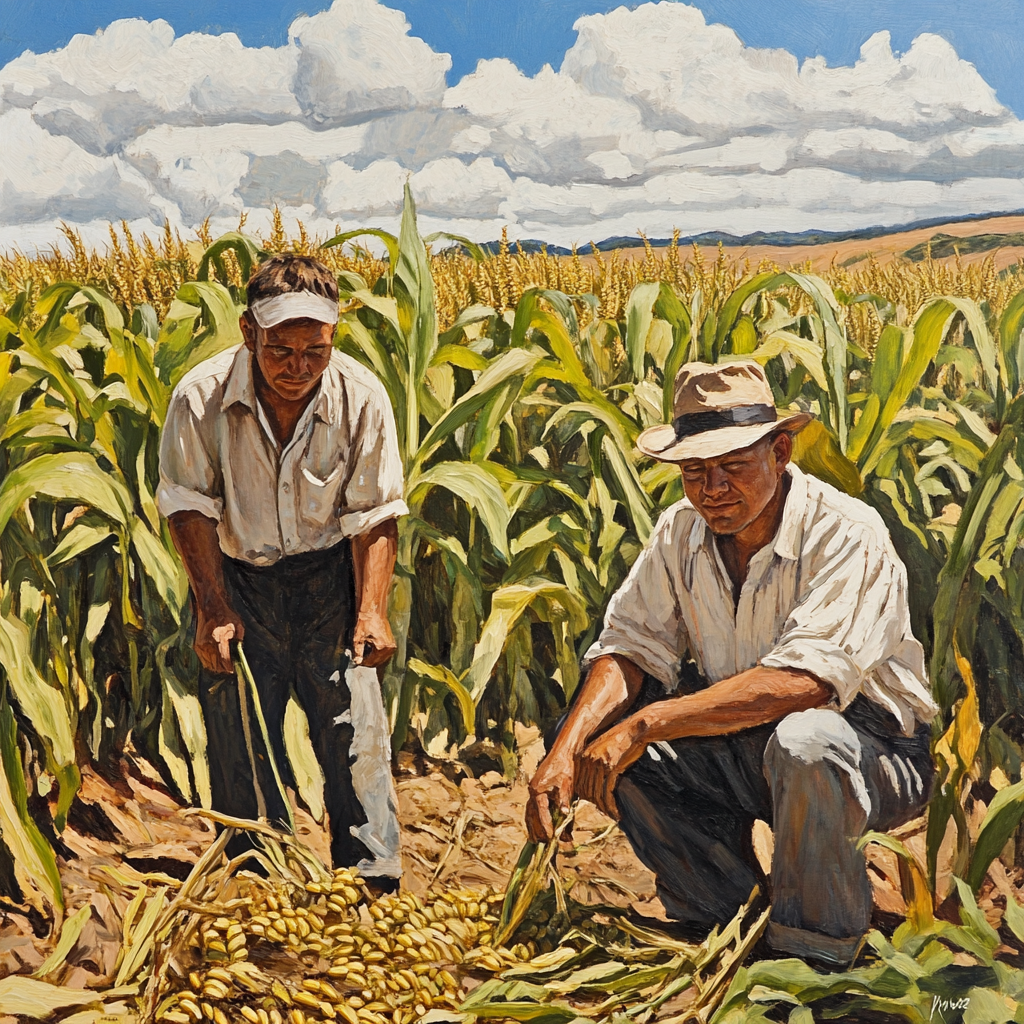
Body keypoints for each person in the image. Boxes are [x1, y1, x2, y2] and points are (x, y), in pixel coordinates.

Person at [526, 359, 937, 966]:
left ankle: (816, 952)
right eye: (695, 473)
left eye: (732, 468)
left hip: (871, 752)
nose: (712, 490)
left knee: (805, 741)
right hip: (742, 739)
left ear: (780, 451)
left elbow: (804, 682)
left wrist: (647, 723)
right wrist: (565, 749)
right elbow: (629, 647)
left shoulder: (848, 532)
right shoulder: (680, 534)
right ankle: (725, 917)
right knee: (609, 738)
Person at [157, 254, 407, 885]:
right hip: (239, 581)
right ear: (248, 332)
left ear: (334, 336)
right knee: (241, 732)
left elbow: (375, 513)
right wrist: (211, 606)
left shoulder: (361, 397)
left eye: (314, 352)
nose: (298, 368)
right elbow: (189, 507)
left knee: (354, 727)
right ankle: (256, 881)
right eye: (280, 350)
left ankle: (371, 880)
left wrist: (372, 610)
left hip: (331, 580)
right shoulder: (200, 398)